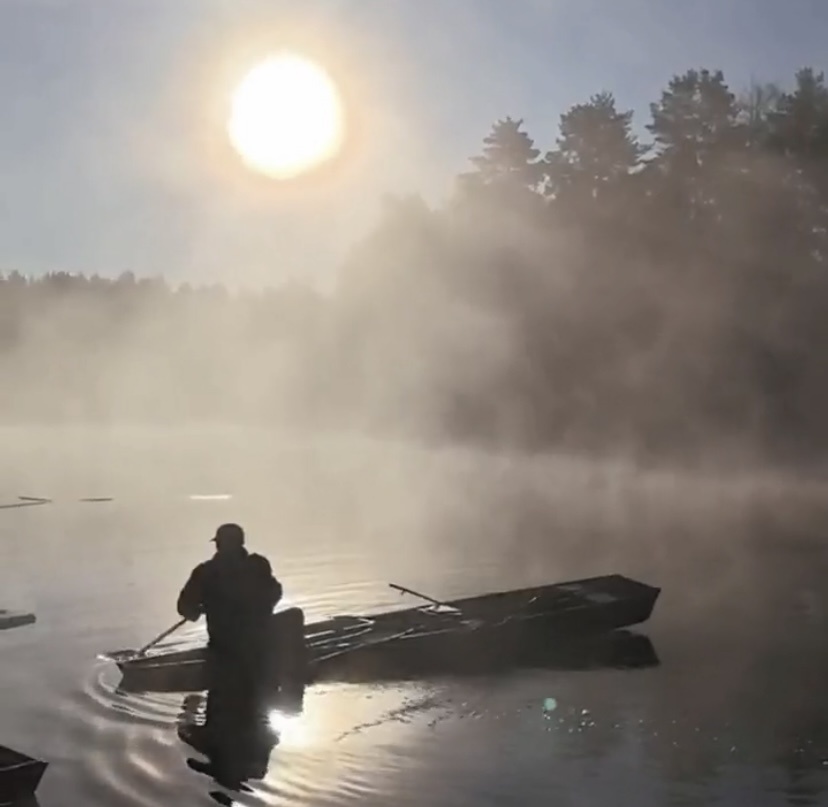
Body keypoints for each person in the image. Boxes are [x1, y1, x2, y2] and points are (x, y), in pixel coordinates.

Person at [177, 523, 282, 705]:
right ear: (241, 543)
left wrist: (200, 609)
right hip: (258, 644)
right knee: (294, 616)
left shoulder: (205, 572)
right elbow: (275, 592)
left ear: (219, 545)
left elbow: (185, 608)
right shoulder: (258, 564)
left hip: (223, 647)